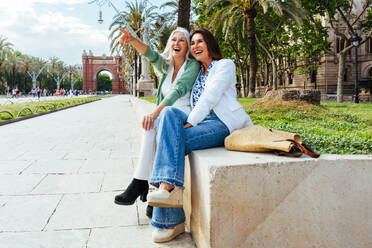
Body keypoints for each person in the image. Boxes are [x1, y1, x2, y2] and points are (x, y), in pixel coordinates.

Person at [145, 28, 253, 243]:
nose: (195, 46)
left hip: (222, 123)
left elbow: (210, 97)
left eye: (200, 42)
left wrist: (190, 121)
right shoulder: (197, 73)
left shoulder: (225, 65)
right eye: (192, 43)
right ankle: (168, 191)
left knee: (172, 141)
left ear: (210, 44)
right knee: (169, 112)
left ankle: (168, 212)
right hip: (202, 123)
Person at [114, 27, 200, 218]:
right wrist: (132, 40)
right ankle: (142, 182)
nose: (176, 43)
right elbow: (150, 54)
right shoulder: (166, 66)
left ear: (187, 46)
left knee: (156, 121)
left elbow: (178, 90)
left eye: (181, 41)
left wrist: (154, 112)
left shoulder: (192, 66)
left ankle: (146, 185)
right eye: (173, 40)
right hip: (165, 112)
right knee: (150, 126)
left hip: (183, 113)